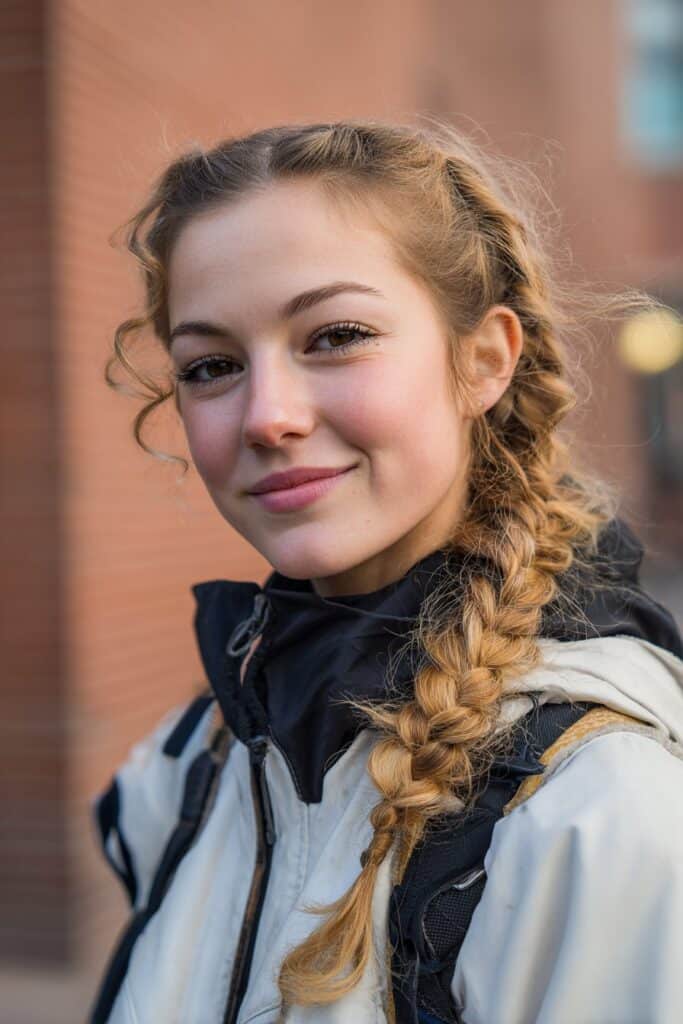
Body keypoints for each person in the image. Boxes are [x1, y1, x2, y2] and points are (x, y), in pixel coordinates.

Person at [91, 119, 683, 1024]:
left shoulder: (599, 812)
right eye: (211, 365)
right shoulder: (185, 769)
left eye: (335, 336)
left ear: (483, 359)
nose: (268, 415)